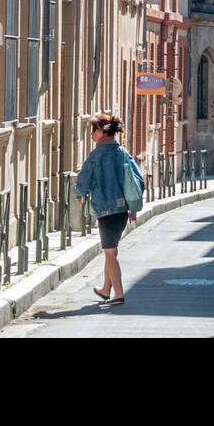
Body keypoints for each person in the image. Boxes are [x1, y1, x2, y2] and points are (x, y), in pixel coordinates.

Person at [74, 114, 143, 306]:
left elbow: (84, 178)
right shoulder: (123, 153)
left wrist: (79, 194)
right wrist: (133, 207)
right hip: (121, 211)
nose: (91, 135)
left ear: (102, 132)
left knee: (110, 252)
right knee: (110, 250)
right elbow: (136, 181)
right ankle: (106, 289)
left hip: (106, 210)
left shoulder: (96, 155)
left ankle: (119, 294)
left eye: (93, 130)